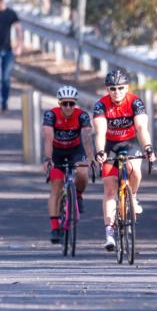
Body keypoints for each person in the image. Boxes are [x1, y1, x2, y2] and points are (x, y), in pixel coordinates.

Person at [93, 69, 157, 251]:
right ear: (107, 89)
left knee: (134, 168)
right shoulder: (101, 105)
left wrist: (148, 147)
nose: (117, 92)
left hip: (130, 143)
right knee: (109, 188)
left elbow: (141, 128)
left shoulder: (135, 102)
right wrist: (99, 151)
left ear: (127, 87)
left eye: (121, 88)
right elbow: (100, 132)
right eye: (112, 89)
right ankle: (109, 234)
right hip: (110, 145)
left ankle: (133, 197)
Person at [42, 86, 94, 244]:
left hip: (75, 151)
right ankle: (55, 227)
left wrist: (91, 158)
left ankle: (78, 196)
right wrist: (48, 159)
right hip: (57, 152)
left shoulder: (82, 116)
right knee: (56, 187)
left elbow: (86, 138)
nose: (68, 107)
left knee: (83, 173)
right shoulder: (51, 115)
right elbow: (48, 138)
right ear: (60, 103)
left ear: (75, 104)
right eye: (65, 104)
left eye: (71, 104)